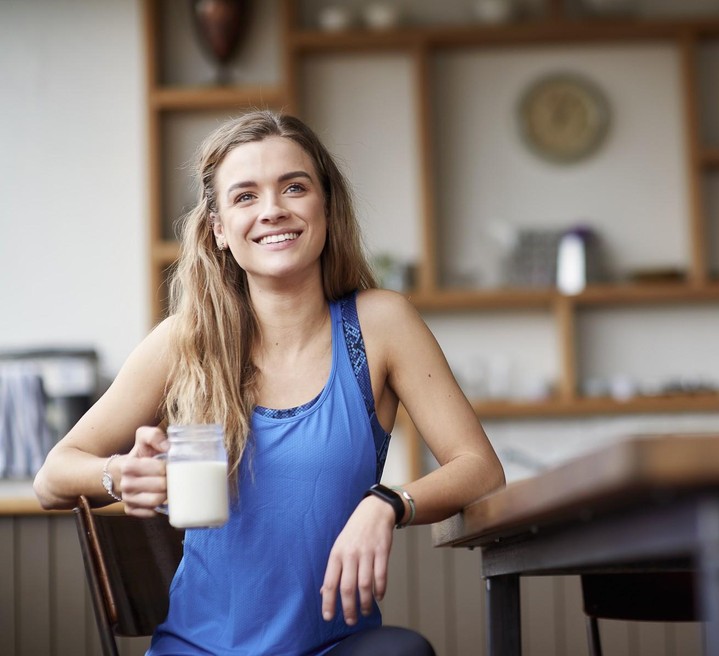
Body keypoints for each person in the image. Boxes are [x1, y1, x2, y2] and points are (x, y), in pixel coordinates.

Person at [33, 110, 505, 655]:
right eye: (245, 196)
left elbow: (480, 469)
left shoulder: (381, 325)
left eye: (294, 187)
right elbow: (53, 478)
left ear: (326, 205)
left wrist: (387, 502)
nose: (273, 210)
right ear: (218, 229)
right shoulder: (185, 340)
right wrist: (120, 474)